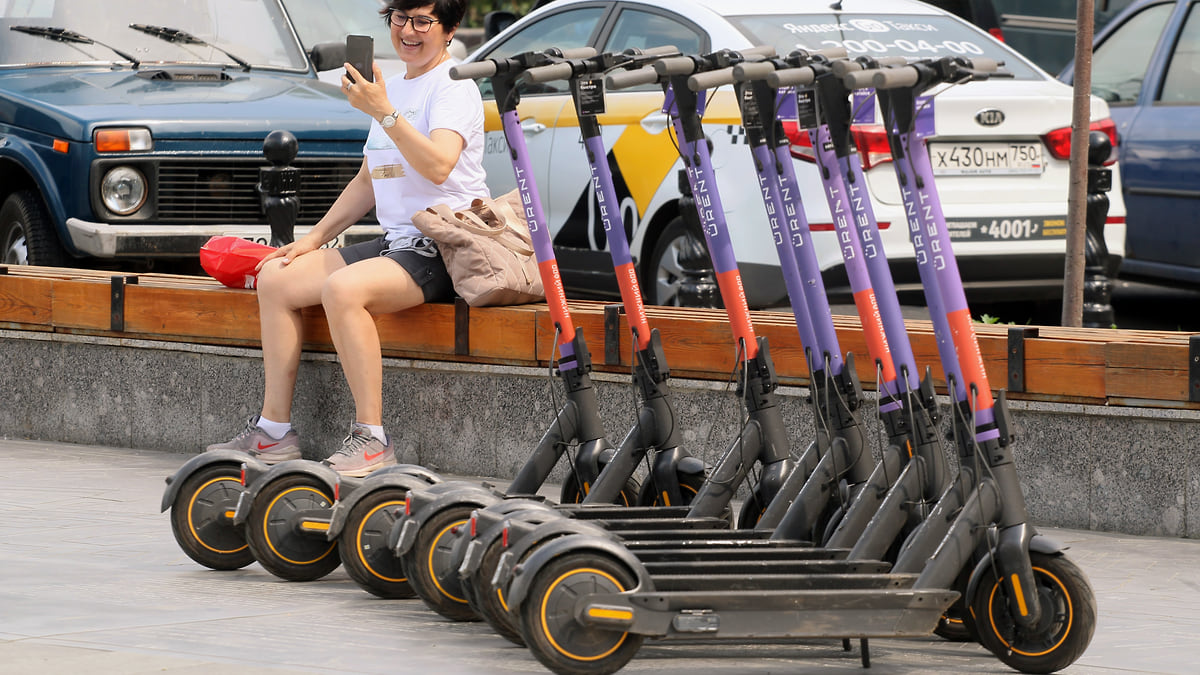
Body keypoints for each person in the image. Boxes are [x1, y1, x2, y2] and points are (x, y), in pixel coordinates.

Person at [207, 0, 486, 477]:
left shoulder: (454, 87)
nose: (409, 31)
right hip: (397, 242)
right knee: (276, 276)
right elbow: (366, 181)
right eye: (400, 19)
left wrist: (386, 113)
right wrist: (312, 239)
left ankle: (372, 439)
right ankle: (274, 432)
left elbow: (439, 165)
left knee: (343, 289)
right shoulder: (391, 88)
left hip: (443, 243)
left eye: (423, 21)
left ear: (451, 28)